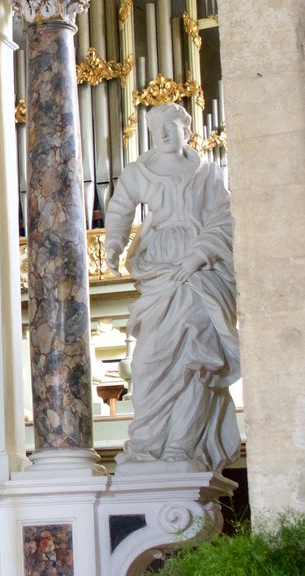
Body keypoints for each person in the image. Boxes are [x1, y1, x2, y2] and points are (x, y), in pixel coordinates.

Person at [105, 103, 240, 472]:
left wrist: (197, 257)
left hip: (201, 276)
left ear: (186, 127)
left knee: (196, 360)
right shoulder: (138, 172)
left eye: (169, 126)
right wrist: (113, 244)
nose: (163, 134)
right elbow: (119, 211)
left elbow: (224, 220)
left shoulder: (209, 173)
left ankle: (181, 447)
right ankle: (148, 444)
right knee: (149, 362)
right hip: (158, 274)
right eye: (155, 128)